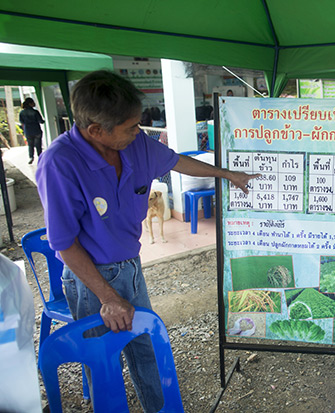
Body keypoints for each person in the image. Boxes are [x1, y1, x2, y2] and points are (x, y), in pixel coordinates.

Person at [35, 70, 258, 412]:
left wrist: (227, 174)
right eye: (131, 127)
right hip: (90, 279)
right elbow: (64, 244)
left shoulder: (135, 145)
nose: (139, 132)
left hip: (130, 267)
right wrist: (108, 297)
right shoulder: (59, 164)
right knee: (102, 361)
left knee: (146, 349)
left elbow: (176, 161)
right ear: (96, 130)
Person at [19, 97, 45, 164]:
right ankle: (40, 157)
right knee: (38, 145)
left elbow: (21, 122)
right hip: (36, 130)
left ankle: (31, 157)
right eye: (33, 102)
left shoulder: (22, 113)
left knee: (30, 145)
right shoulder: (35, 112)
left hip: (28, 131)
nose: (34, 103)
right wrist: (43, 121)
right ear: (30, 104)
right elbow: (41, 121)